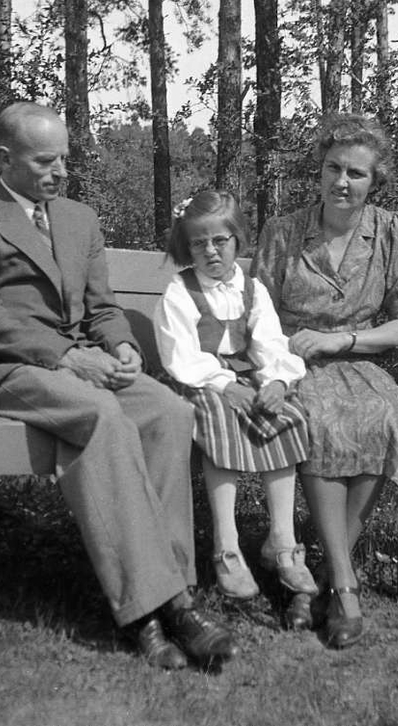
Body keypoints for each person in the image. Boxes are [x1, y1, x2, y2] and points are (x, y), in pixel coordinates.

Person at [0, 101, 236, 671]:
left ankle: (173, 594)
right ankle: (151, 611)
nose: (60, 171)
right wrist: (69, 356)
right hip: (6, 369)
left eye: (65, 159)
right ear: (5, 158)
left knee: (168, 410)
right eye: (45, 160)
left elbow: (102, 309)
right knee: (102, 414)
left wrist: (121, 344)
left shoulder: (79, 219)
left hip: (82, 366)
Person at [252, 114, 398, 649]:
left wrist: (344, 341)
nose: (341, 182)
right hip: (292, 363)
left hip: (358, 361)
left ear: (376, 181)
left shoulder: (393, 231)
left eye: (356, 173)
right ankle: (344, 587)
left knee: (381, 416)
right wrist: (283, 357)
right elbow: (257, 314)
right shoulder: (283, 231)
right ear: (319, 172)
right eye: (332, 169)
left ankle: (321, 578)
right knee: (321, 420)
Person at [153, 190, 318, 609]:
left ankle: (282, 538)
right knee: (219, 419)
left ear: (237, 240)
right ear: (186, 246)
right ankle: (226, 545)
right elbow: (181, 356)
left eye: (220, 241)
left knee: (288, 414)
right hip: (199, 384)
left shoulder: (252, 289)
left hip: (244, 380)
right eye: (199, 243)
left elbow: (270, 345)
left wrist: (277, 382)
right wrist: (225, 384)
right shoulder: (181, 291)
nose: (210, 251)